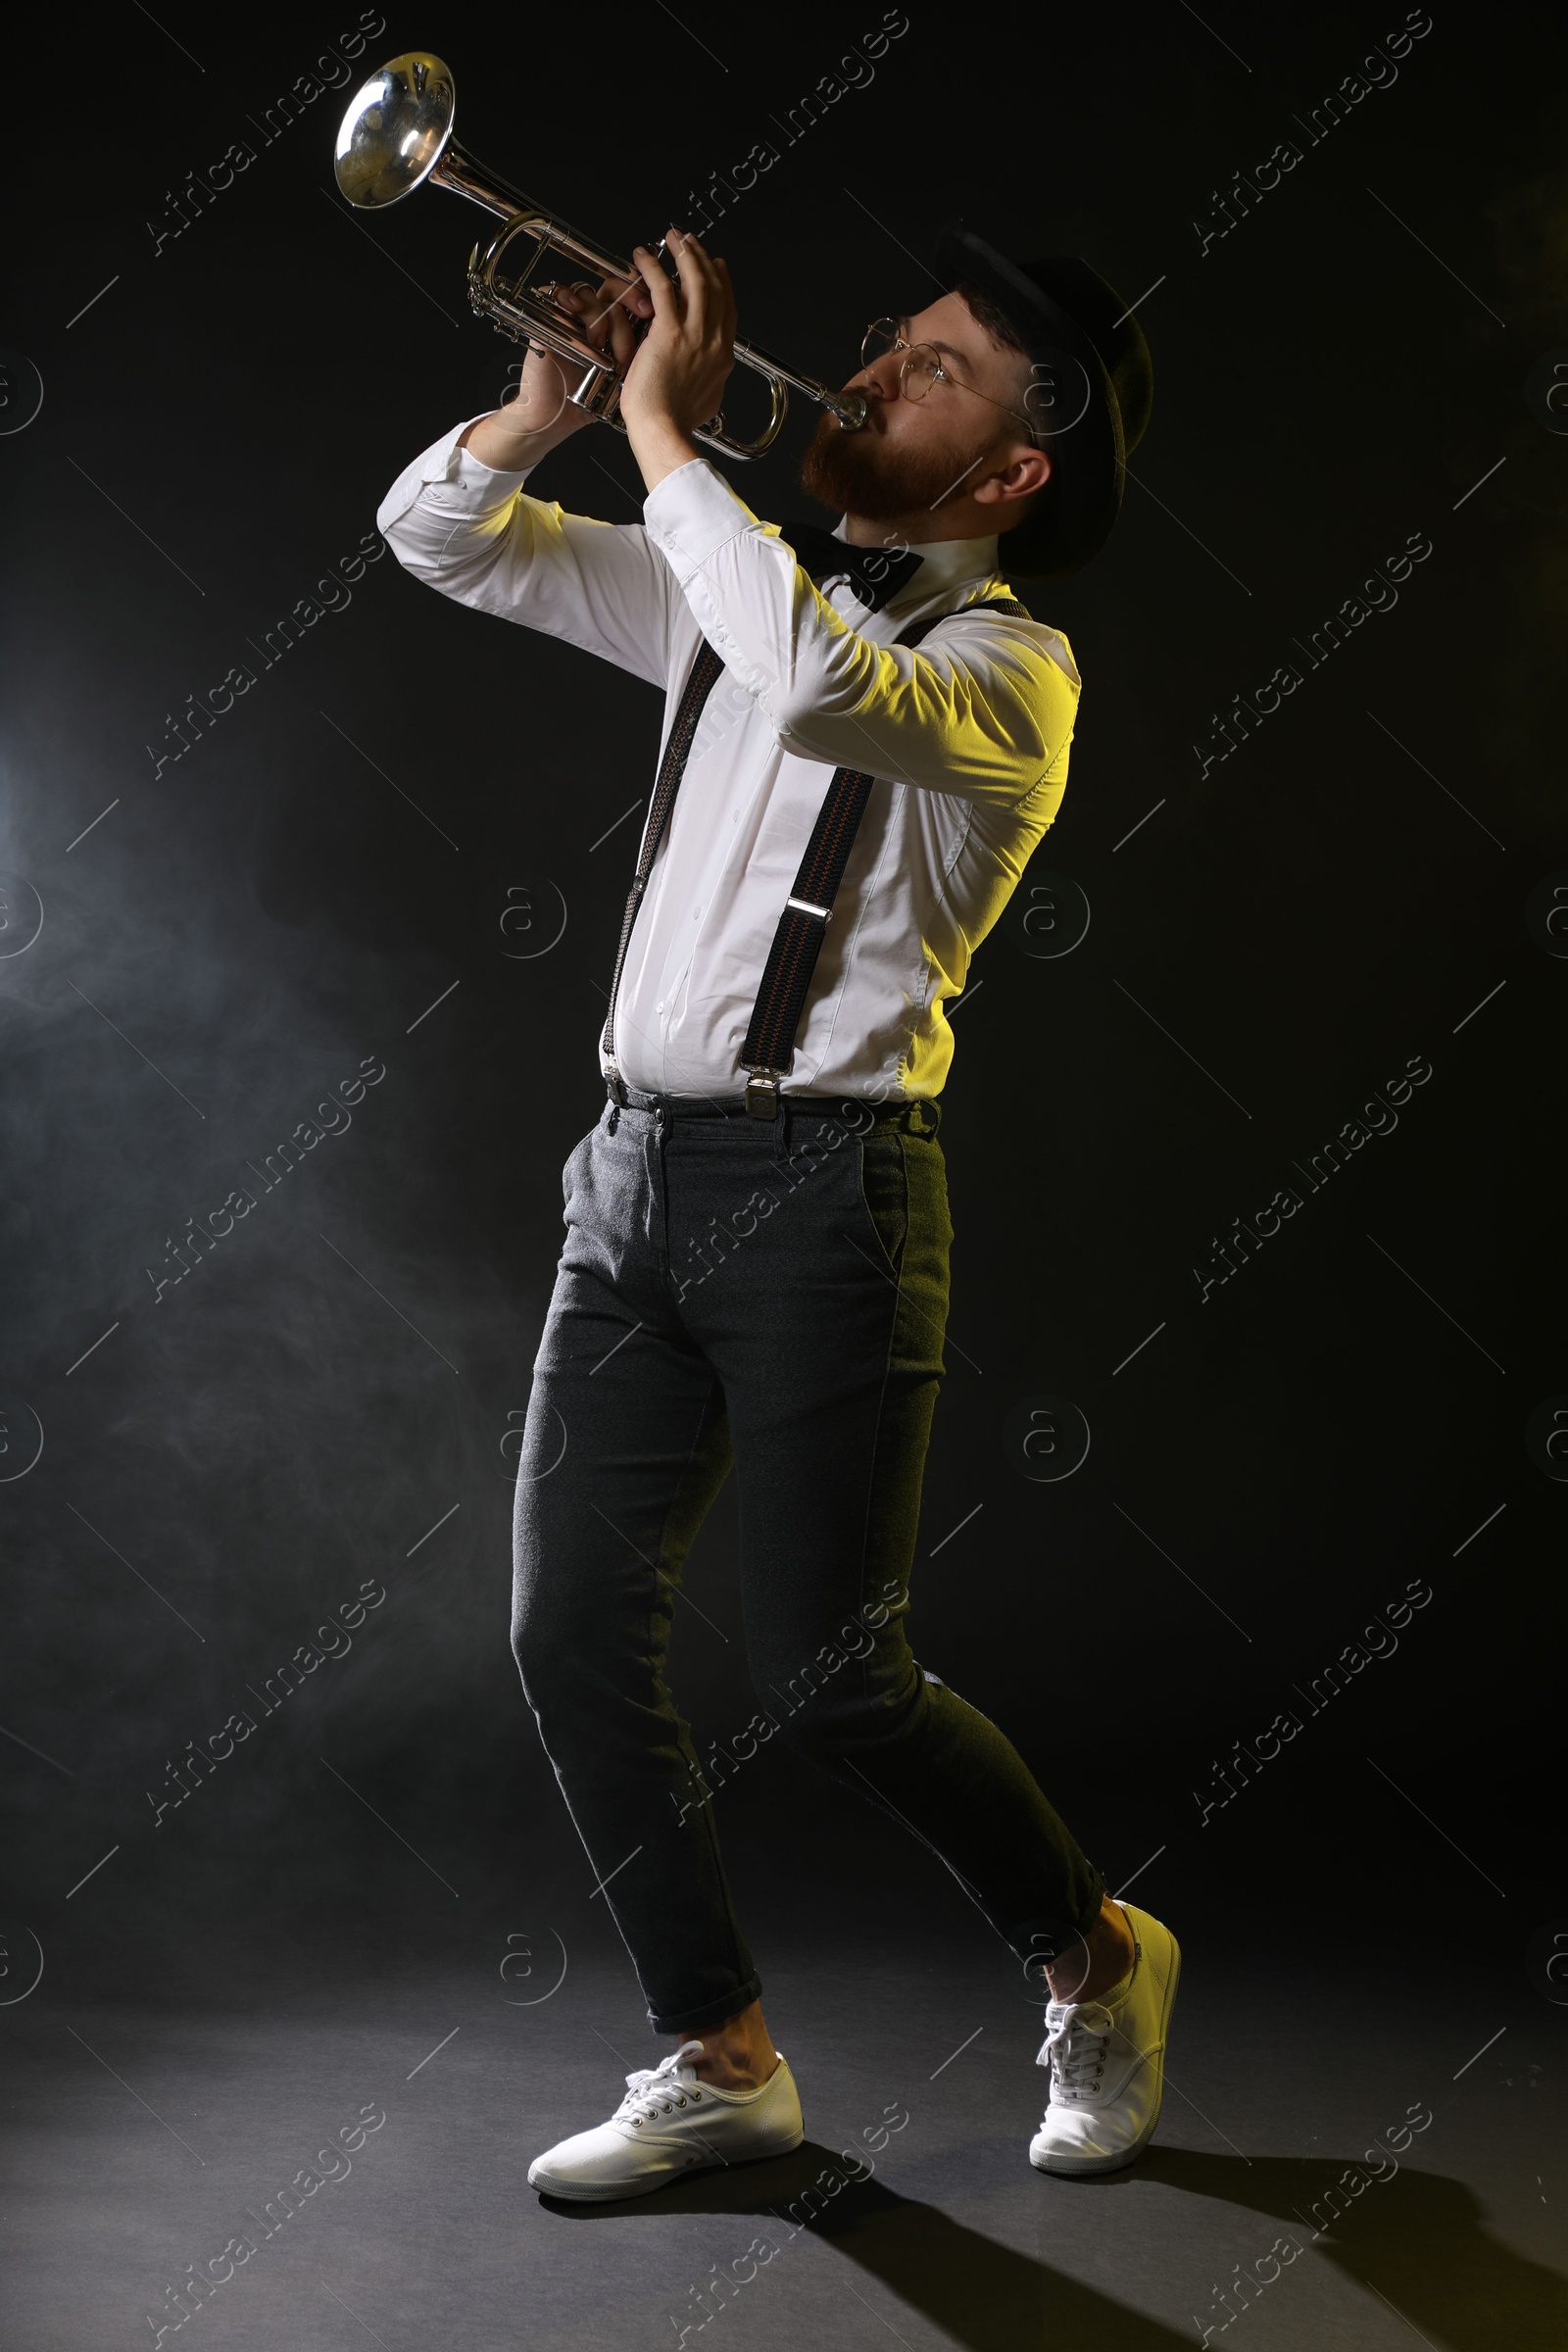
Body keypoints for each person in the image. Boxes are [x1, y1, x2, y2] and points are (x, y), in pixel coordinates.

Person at [378, 220, 1174, 2198]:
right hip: (627, 1173)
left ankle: (1092, 1950)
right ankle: (716, 2054)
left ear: (1010, 475)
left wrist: (661, 435)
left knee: (836, 1684)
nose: (870, 375)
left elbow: (814, 682)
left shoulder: (1010, 675)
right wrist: (553, 407)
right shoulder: (735, 592)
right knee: (568, 1631)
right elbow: (440, 538)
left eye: (932, 377)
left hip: (827, 1198)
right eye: (888, 344)